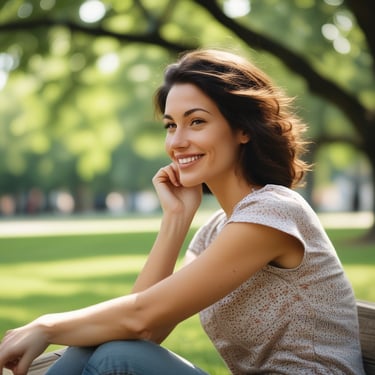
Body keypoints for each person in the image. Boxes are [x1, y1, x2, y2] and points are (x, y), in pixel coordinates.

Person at [0, 49, 365, 375]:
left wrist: (46, 326)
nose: (177, 142)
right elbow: (148, 327)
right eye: (171, 125)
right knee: (101, 347)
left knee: (114, 357)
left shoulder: (272, 212)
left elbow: (140, 320)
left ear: (243, 129)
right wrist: (175, 220)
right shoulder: (216, 230)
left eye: (197, 122)